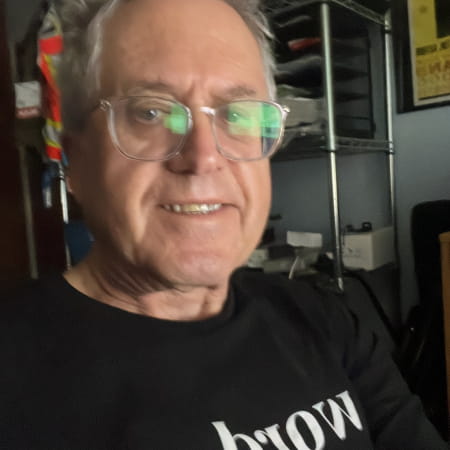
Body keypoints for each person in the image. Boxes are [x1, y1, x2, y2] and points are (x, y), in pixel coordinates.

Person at [0, 0, 447, 449]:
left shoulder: (322, 318)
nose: (203, 157)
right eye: (150, 112)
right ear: (76, 161)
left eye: (237, 114)